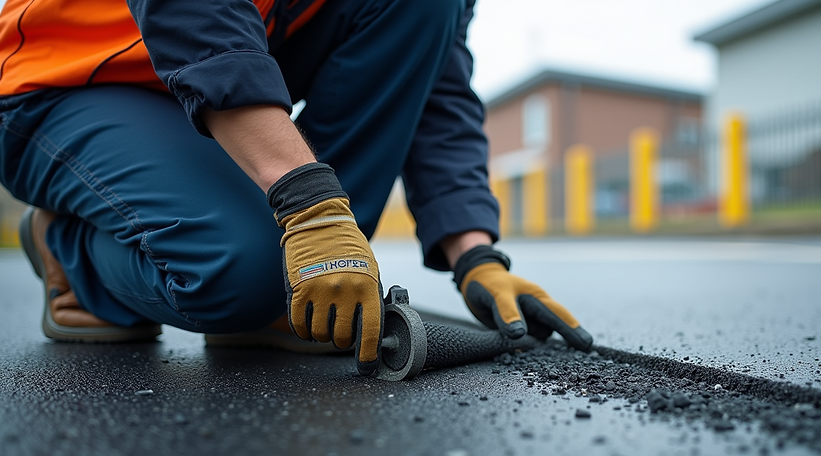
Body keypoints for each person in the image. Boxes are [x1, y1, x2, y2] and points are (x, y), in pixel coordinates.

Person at [0, 0, 592, 375]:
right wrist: (308, 205)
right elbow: (196, 17)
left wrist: (476, 255)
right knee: (237, 273)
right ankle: (70, 250)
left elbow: (434, 86)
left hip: (208, 96)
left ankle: (298, 294)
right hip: (66, 82)